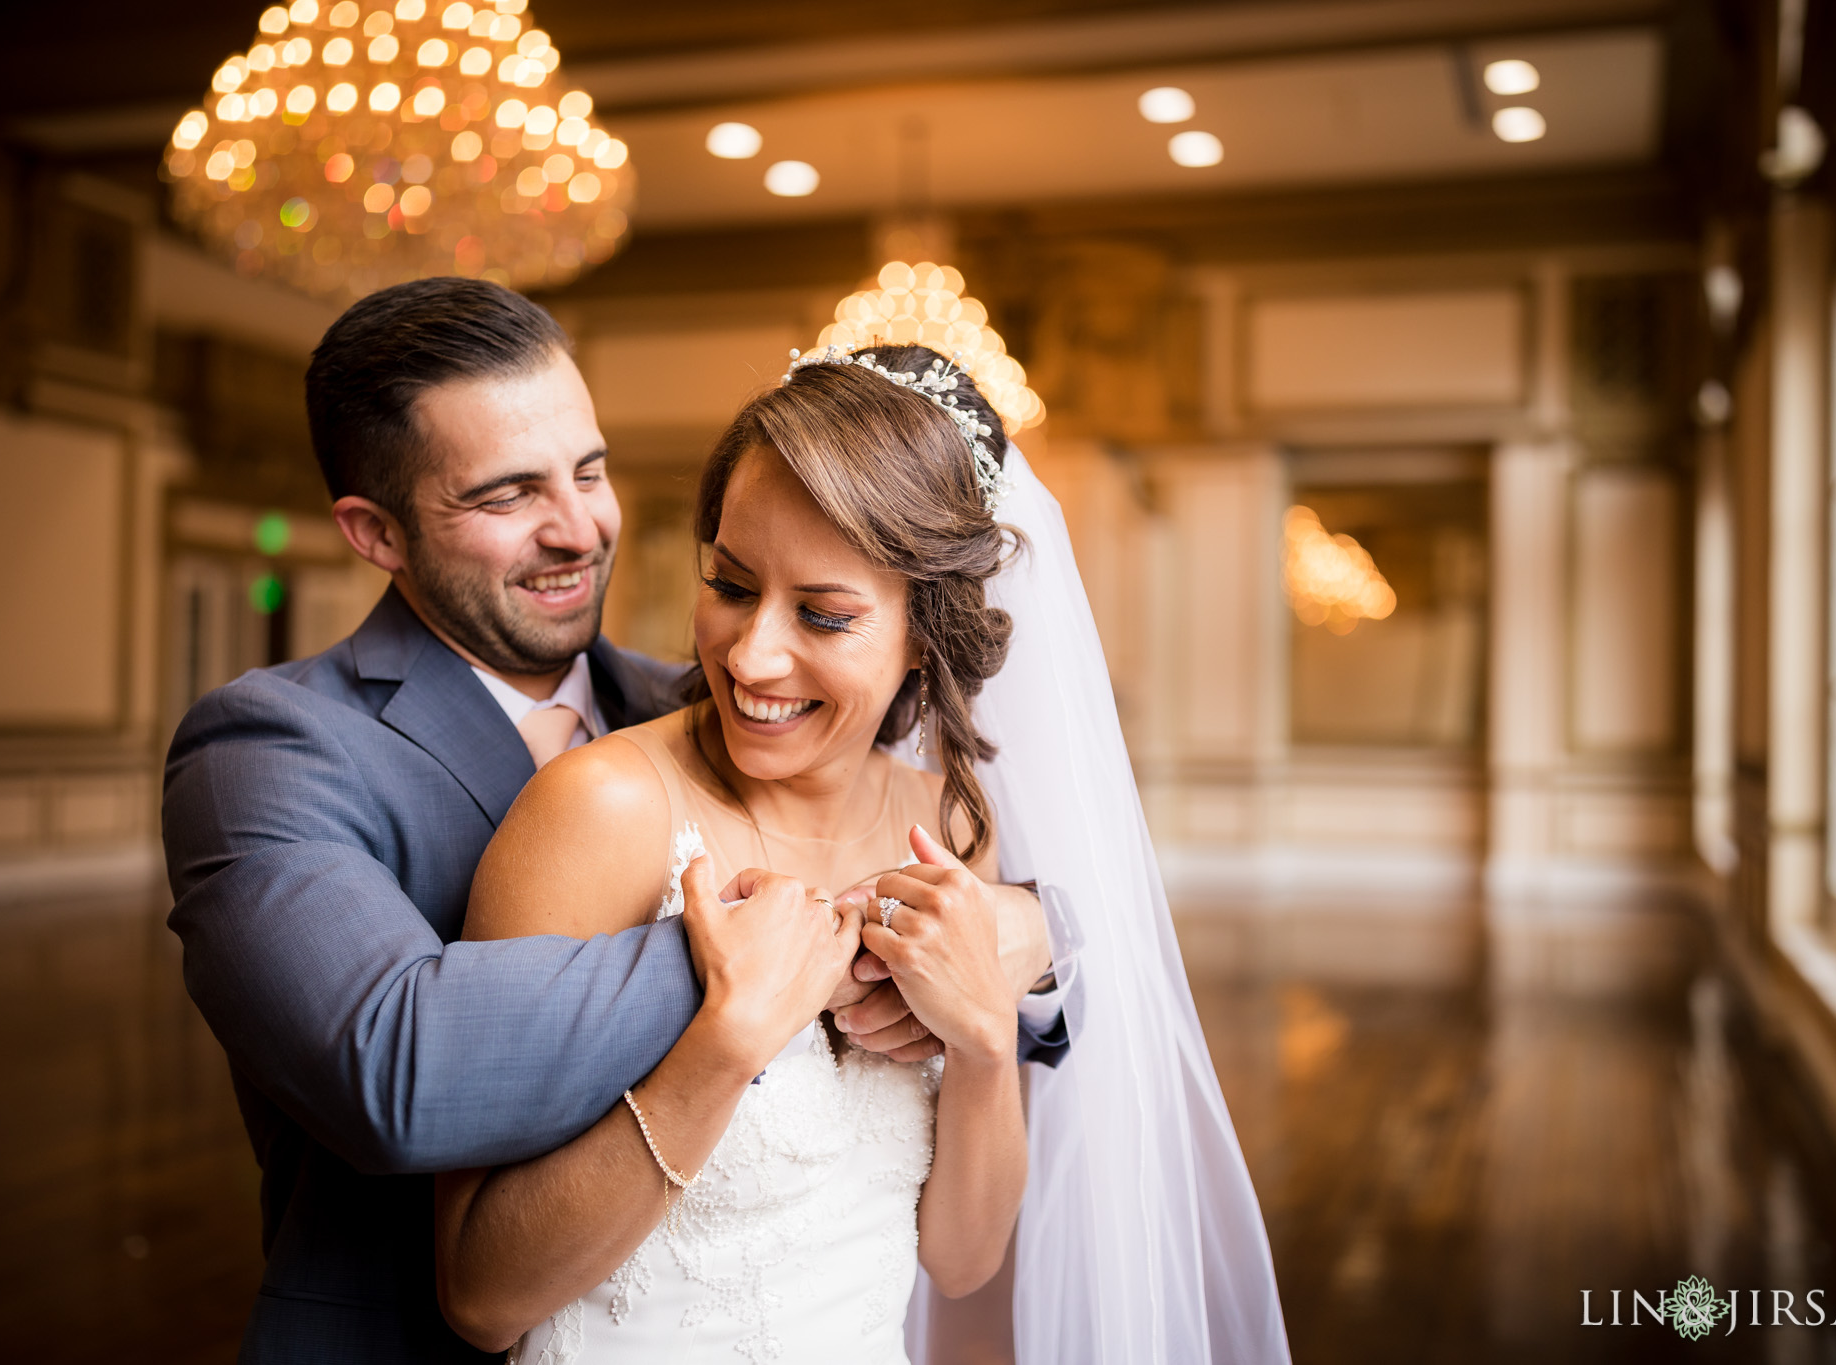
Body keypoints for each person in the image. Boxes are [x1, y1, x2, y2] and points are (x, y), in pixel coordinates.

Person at [161, 280, 1064, 1364]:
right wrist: (798, 956)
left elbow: (960, 1248)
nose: (579, 526)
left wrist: (1025, 932)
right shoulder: (266, 747)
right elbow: (388, 1065)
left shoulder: (713, 705)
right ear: (376, 532)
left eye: (587, 471)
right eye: (504, 495)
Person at [432, 344, 1294, 1364]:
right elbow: (480, 1298)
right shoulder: (601, 809)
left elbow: (962, 1258)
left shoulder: (955, 835)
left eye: (825, 614)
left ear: (923, 635)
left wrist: (978, 1045)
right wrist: (728, 1040)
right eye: (730, 584)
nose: (750, 655)